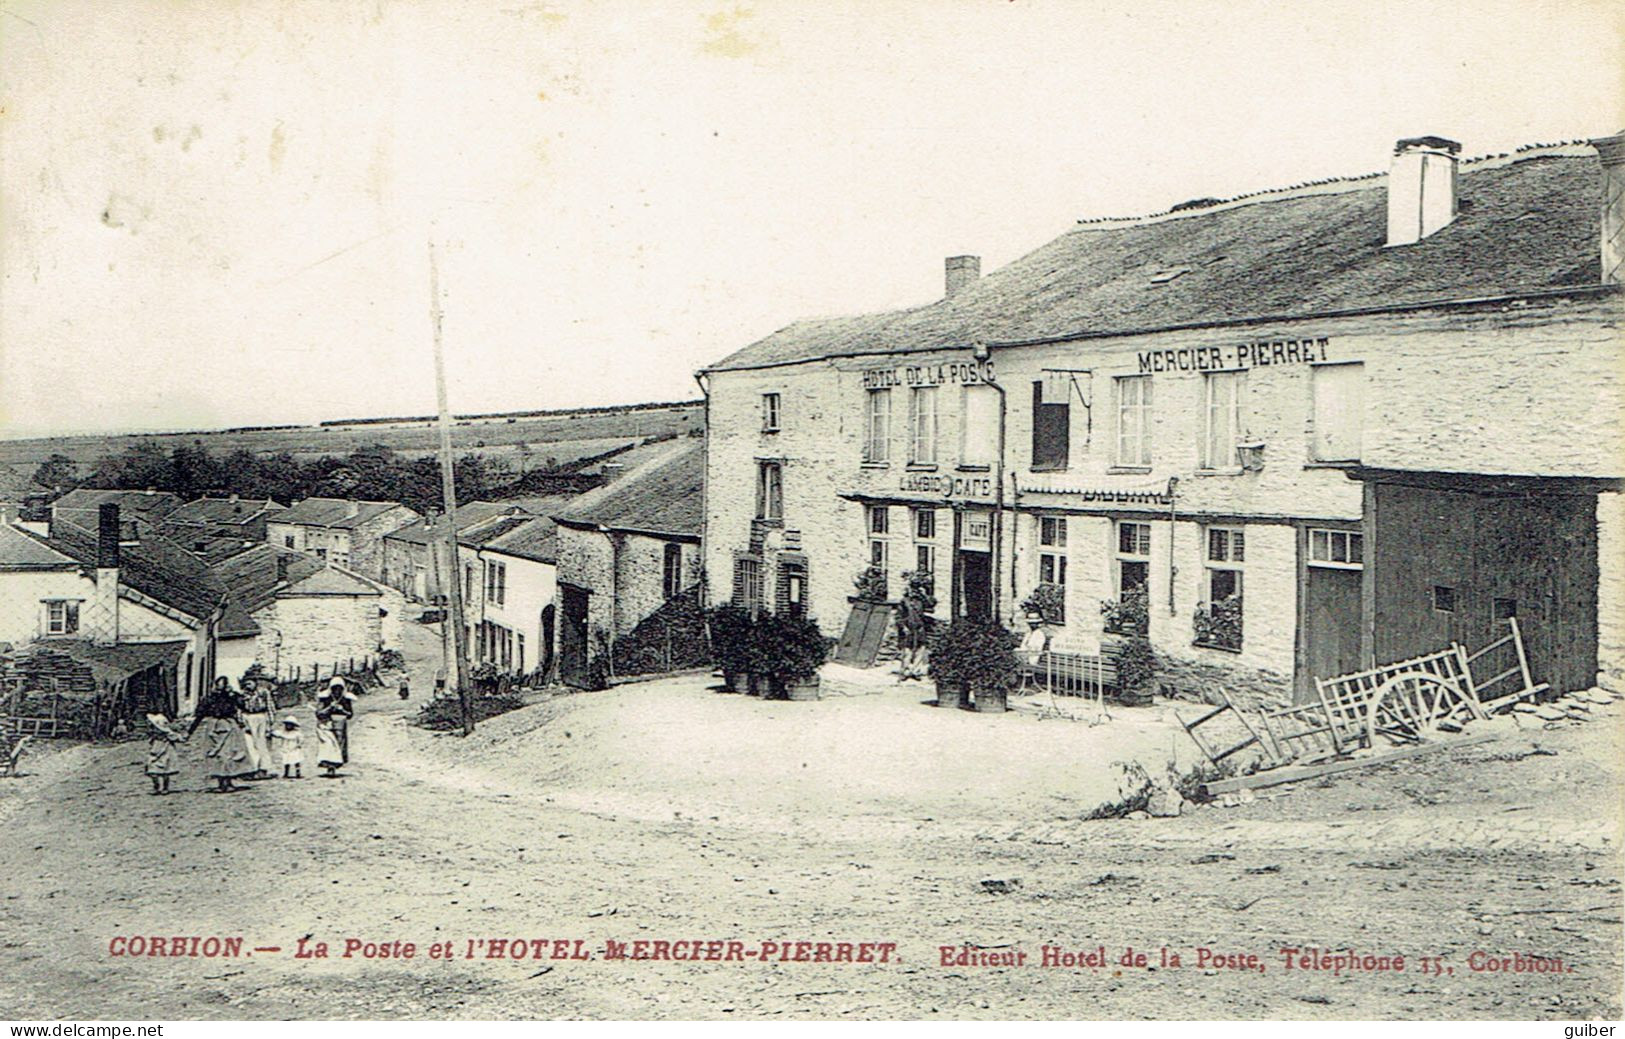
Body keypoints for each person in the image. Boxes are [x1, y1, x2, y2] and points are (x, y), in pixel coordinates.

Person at [188, 677, 253, 792]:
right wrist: (190, 732)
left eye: (222, 685)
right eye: (218, 685)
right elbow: (200, 715)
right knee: (217, 754)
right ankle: (220, 782)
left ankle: (228, 781)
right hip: (214, 727)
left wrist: (234, 695)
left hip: (230, 725)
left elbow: (243, 707)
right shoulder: (209, 699)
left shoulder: (231, 697)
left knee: (230, 754)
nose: (219, 688)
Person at [239, 676, 274, 779]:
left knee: (261, 743)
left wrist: (270, 723)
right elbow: (239, 708)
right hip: (247, 717)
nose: (248, 685)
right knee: (249, 744)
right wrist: (241, 721)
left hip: (260, 716)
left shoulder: (263, 692)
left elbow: (270, 706)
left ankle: (263, 769)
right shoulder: (242, 694)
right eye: (246, 683)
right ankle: (251, 770)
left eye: (250, 683)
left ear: (255, 682)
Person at [317, 677, 356, 764]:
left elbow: (350, 715)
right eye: (335, 689)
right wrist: (330, 707)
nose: (337, 691)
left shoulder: (346, 699)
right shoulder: (324, 698)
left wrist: (342, 710)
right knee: (328, 742)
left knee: (339, 742)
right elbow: (319, 714)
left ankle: (337, 761)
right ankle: (327, 761)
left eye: (340, 689)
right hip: (326, 723)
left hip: (340, 724)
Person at [143, 712, 185, 795]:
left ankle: (165, 787)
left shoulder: (168, 735)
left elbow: (179, 738)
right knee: (152, 771)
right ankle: (156, 786)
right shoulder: (153, 737)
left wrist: (181, 735)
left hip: (166, 753)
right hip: (155, 754)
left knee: (165, 772)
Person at [314, 704, 344, 778]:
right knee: (326, 751)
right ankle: (328, 765)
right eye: (322, 718)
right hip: (325, 739)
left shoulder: (329, 723)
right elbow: (319, 732)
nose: (324, 720)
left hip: (330, 737)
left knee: (333, 750)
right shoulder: (319, 726)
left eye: (325, 718)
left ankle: (333, 766)